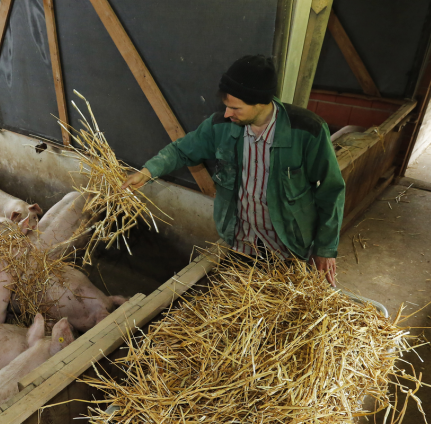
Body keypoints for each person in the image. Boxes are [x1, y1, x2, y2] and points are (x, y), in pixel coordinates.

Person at [121, 55, 344, 286]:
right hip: (241, 244)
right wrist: (147, 172)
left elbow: (331, 190)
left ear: (261, 102)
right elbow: (181, 150)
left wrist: (325, 248)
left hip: (289, 246)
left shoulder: (308, 130)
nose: (227, 113)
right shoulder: (221, 126)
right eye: (226, 106)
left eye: (235, 108)